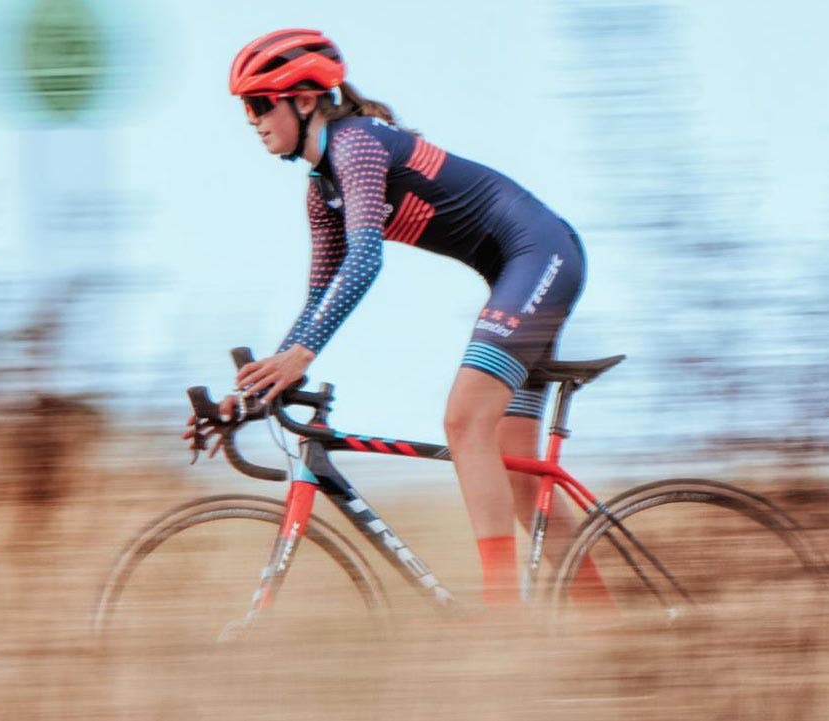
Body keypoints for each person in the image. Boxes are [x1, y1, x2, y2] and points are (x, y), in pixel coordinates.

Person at [206, 28, 602, 606]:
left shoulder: (358, 142)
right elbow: (320, 295)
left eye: (260, 103)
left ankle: (500, 617)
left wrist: (301, 356)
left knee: (464, 422)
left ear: (306, 98)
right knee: (519, 482)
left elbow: (366, 260)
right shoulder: (323, 188)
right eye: (247, 109)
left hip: (542, 257)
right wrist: (250, 395)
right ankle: (611, 628)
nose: (252, 120)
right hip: (524, 274)